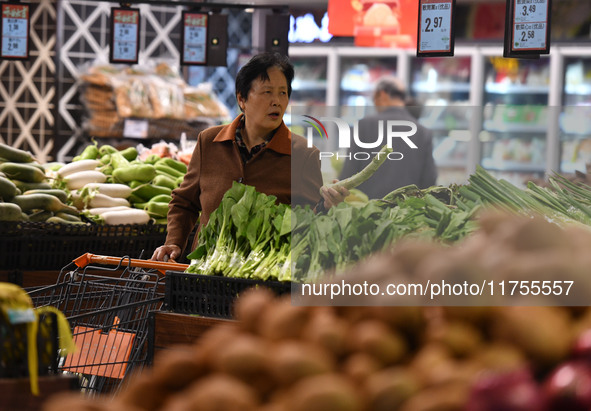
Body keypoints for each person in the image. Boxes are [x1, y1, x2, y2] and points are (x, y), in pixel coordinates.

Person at [152, 52, 348, 262]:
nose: (277, 101)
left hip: (263, 277)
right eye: (267, 92)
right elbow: (185, 202)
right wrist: (174, 241)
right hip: (204, 275)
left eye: (283, 93)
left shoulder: (303, 154)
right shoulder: (209, 142)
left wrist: (327, 206)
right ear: (242, 99)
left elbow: (309, 223)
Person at [338, 76, 437, 199]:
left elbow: (348, 174)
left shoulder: (364, 125)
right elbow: (429, 180)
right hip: (407, 211)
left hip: (366, 210)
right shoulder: (423, 132)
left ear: (383, 95)